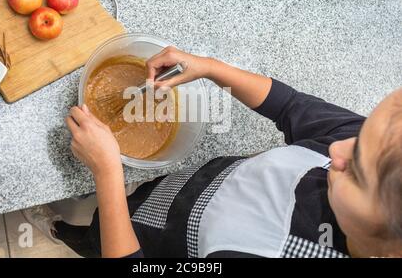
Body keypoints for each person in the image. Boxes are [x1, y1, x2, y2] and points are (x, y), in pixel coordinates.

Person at [24, 47, 402, 258]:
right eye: (361, 132)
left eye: (356, 171)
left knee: (98, 236)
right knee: (138, 198)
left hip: (153, 246)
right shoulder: (379, 152)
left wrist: (107, 173)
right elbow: (290, 107)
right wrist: (209, 68)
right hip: (182, 191)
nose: (337, 147)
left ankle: (61, 231)